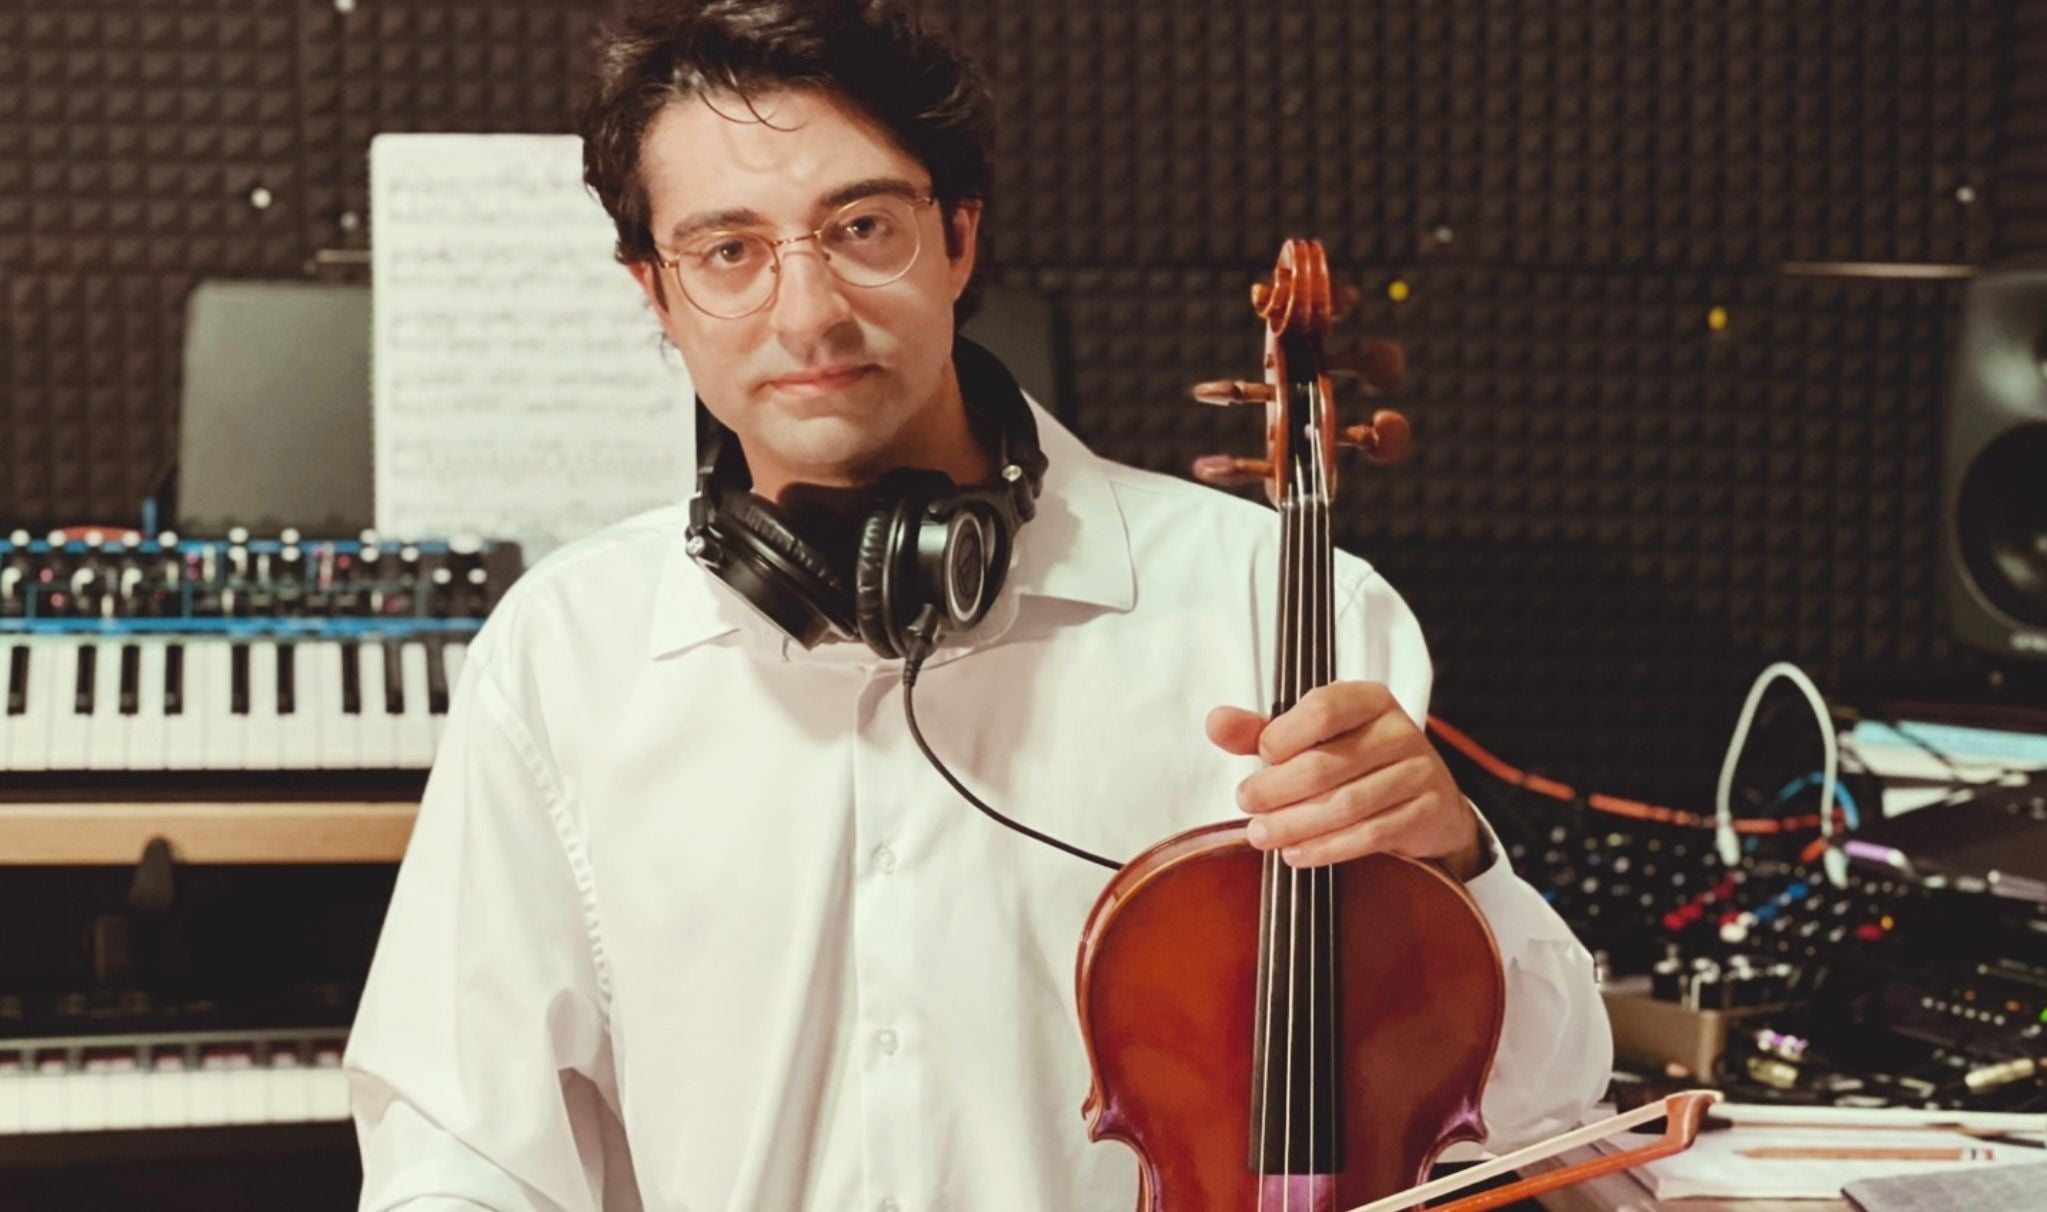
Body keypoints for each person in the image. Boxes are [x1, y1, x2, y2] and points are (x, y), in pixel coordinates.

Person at [343, 1, 1611, 1208]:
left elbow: (1547, 1105)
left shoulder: (1279, 607)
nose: (808, 311)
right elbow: (462, 1150)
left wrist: (1455, 866)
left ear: (958, 238)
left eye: (861, 228)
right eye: (728, 251)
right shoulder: (564, 652)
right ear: (654, 294)